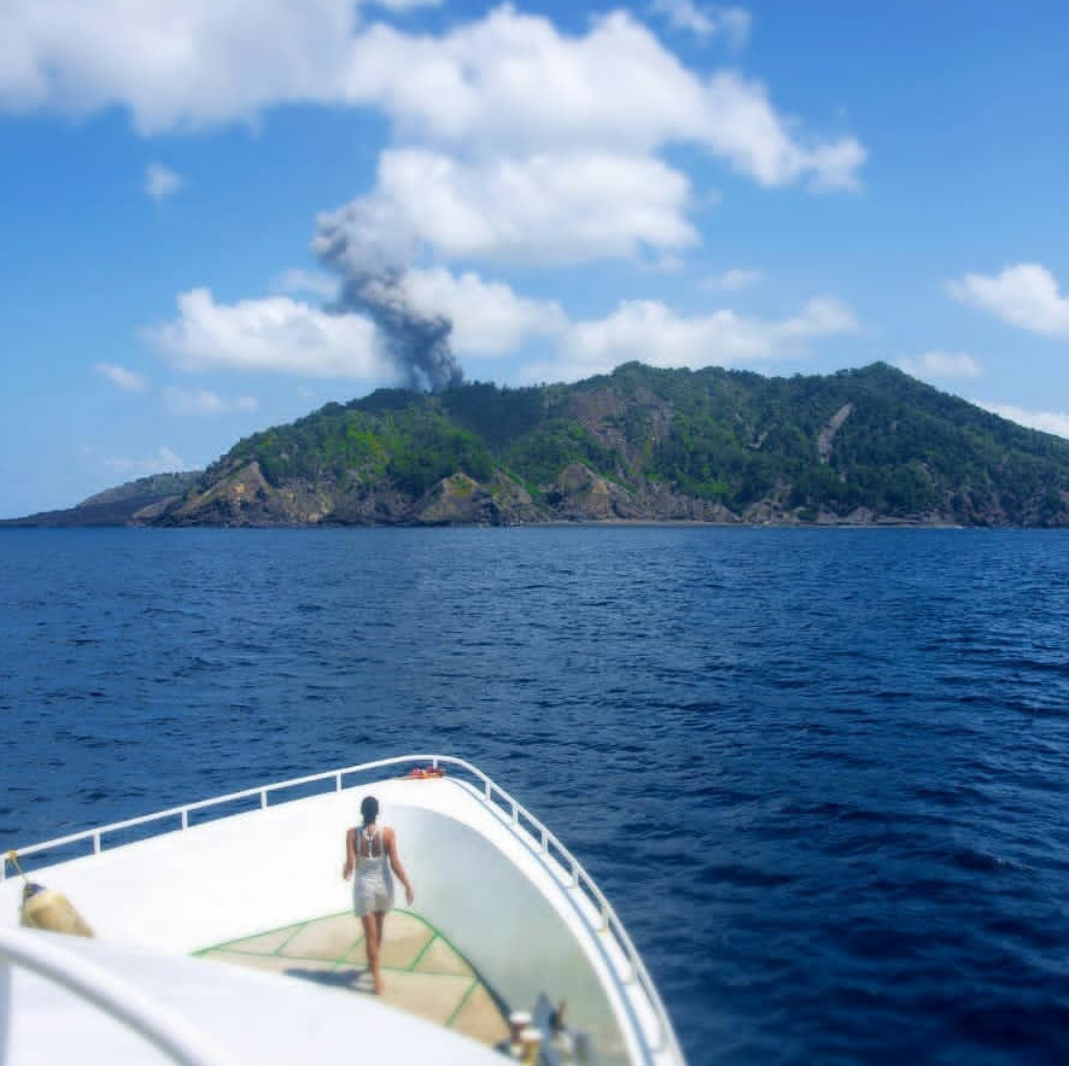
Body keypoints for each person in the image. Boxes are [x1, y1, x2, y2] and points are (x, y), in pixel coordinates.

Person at [342, 795, 415, 995]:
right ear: (377, 813)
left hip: (364, 887)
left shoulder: (351, 835)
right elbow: (395, 863)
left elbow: (350, 866)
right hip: (384, 885)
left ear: (361, 812)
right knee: (379, 928)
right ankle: (373, 965)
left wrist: (345, 870)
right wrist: (407, 885)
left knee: (370, 935)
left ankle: (376, 979)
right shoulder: (388, 834)